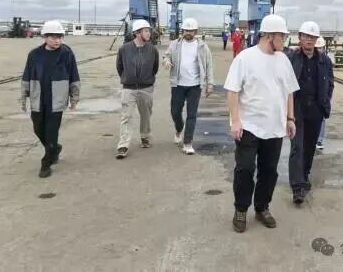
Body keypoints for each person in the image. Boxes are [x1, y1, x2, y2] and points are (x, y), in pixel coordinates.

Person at [224, 14, 299, 233]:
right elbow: (232, 91)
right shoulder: (245, 58)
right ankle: (240, 209)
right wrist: (236, 121)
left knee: (269, 171)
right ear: (269, 36)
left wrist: (290, 118)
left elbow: (289, 92)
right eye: (282, 36)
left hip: (275, 127)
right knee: (245, 169)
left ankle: (262, 207)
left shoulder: (283, 60)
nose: (284, 40)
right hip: (249, 126)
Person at [20, 20, 80, 178]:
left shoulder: (66, 54)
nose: (57, 40)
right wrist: (23, 96)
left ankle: (46, 163)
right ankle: (55, 149)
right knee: (38, 129)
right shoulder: (34, 55)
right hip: (37, 98)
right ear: (45, 37)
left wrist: (74, 97)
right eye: (54, 37)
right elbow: (26, 76)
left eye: (60, 37)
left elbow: (74, 76)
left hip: (57, 100)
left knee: (51, 132)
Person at [287, 22, 334, 204]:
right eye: (306, 36)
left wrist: (325, 102)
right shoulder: (291, 58)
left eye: (312, 37)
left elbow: (330, 83)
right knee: (297, 147)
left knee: (309, 146)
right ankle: (297, 187)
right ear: (300, 37)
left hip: (316, 107)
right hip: (297, 106)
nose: (309, 40)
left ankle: (305, 175)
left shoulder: (325, 61)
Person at [163, 17, 214, 155]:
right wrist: (166, 61)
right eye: (186, 30)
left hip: (195, 85)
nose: (188, 33)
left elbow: (209, 65)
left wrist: (210, 84)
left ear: (195, 32)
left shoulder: (202, 47)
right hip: (178, 84)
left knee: (192, 115)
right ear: (182, 31)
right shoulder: (175, 44)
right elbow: (166, 56)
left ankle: (188, 143)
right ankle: (179, 128)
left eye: (191, 31)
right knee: (175, 111)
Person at [115, 19, 159, 159]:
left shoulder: (152, 50)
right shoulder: (124, 49)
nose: (149, 33)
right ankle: (123, 145)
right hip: (128, 88)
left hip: (146, 88)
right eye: (146, 31)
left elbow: (155, 67)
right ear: (138, 33)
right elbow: (120, 67)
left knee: (145, 115)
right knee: (126, 116)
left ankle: (145, 137)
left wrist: (147, 79)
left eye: (149, 31)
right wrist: (127, 78)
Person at [315, 37, 328, 150]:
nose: (319, 50)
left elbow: (330, 80)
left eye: (321, 48)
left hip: (323, 95)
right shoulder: (308, 59)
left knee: (322, 118)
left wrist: (328, 95)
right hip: (311, 95)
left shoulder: (327, 61)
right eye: (317, 48)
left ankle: (319, 140)